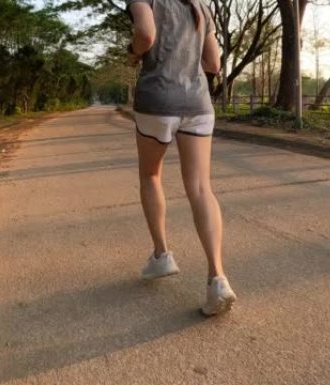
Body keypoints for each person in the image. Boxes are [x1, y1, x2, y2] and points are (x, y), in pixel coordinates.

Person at [127, 0, 236, 316]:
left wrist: (133, 52)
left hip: (157, 100)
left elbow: (145, 35)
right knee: (202, 189)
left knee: (151, 175)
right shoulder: (202, 5)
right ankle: (218, 278)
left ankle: (161, 256)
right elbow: (213, 63)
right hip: (198, 104)